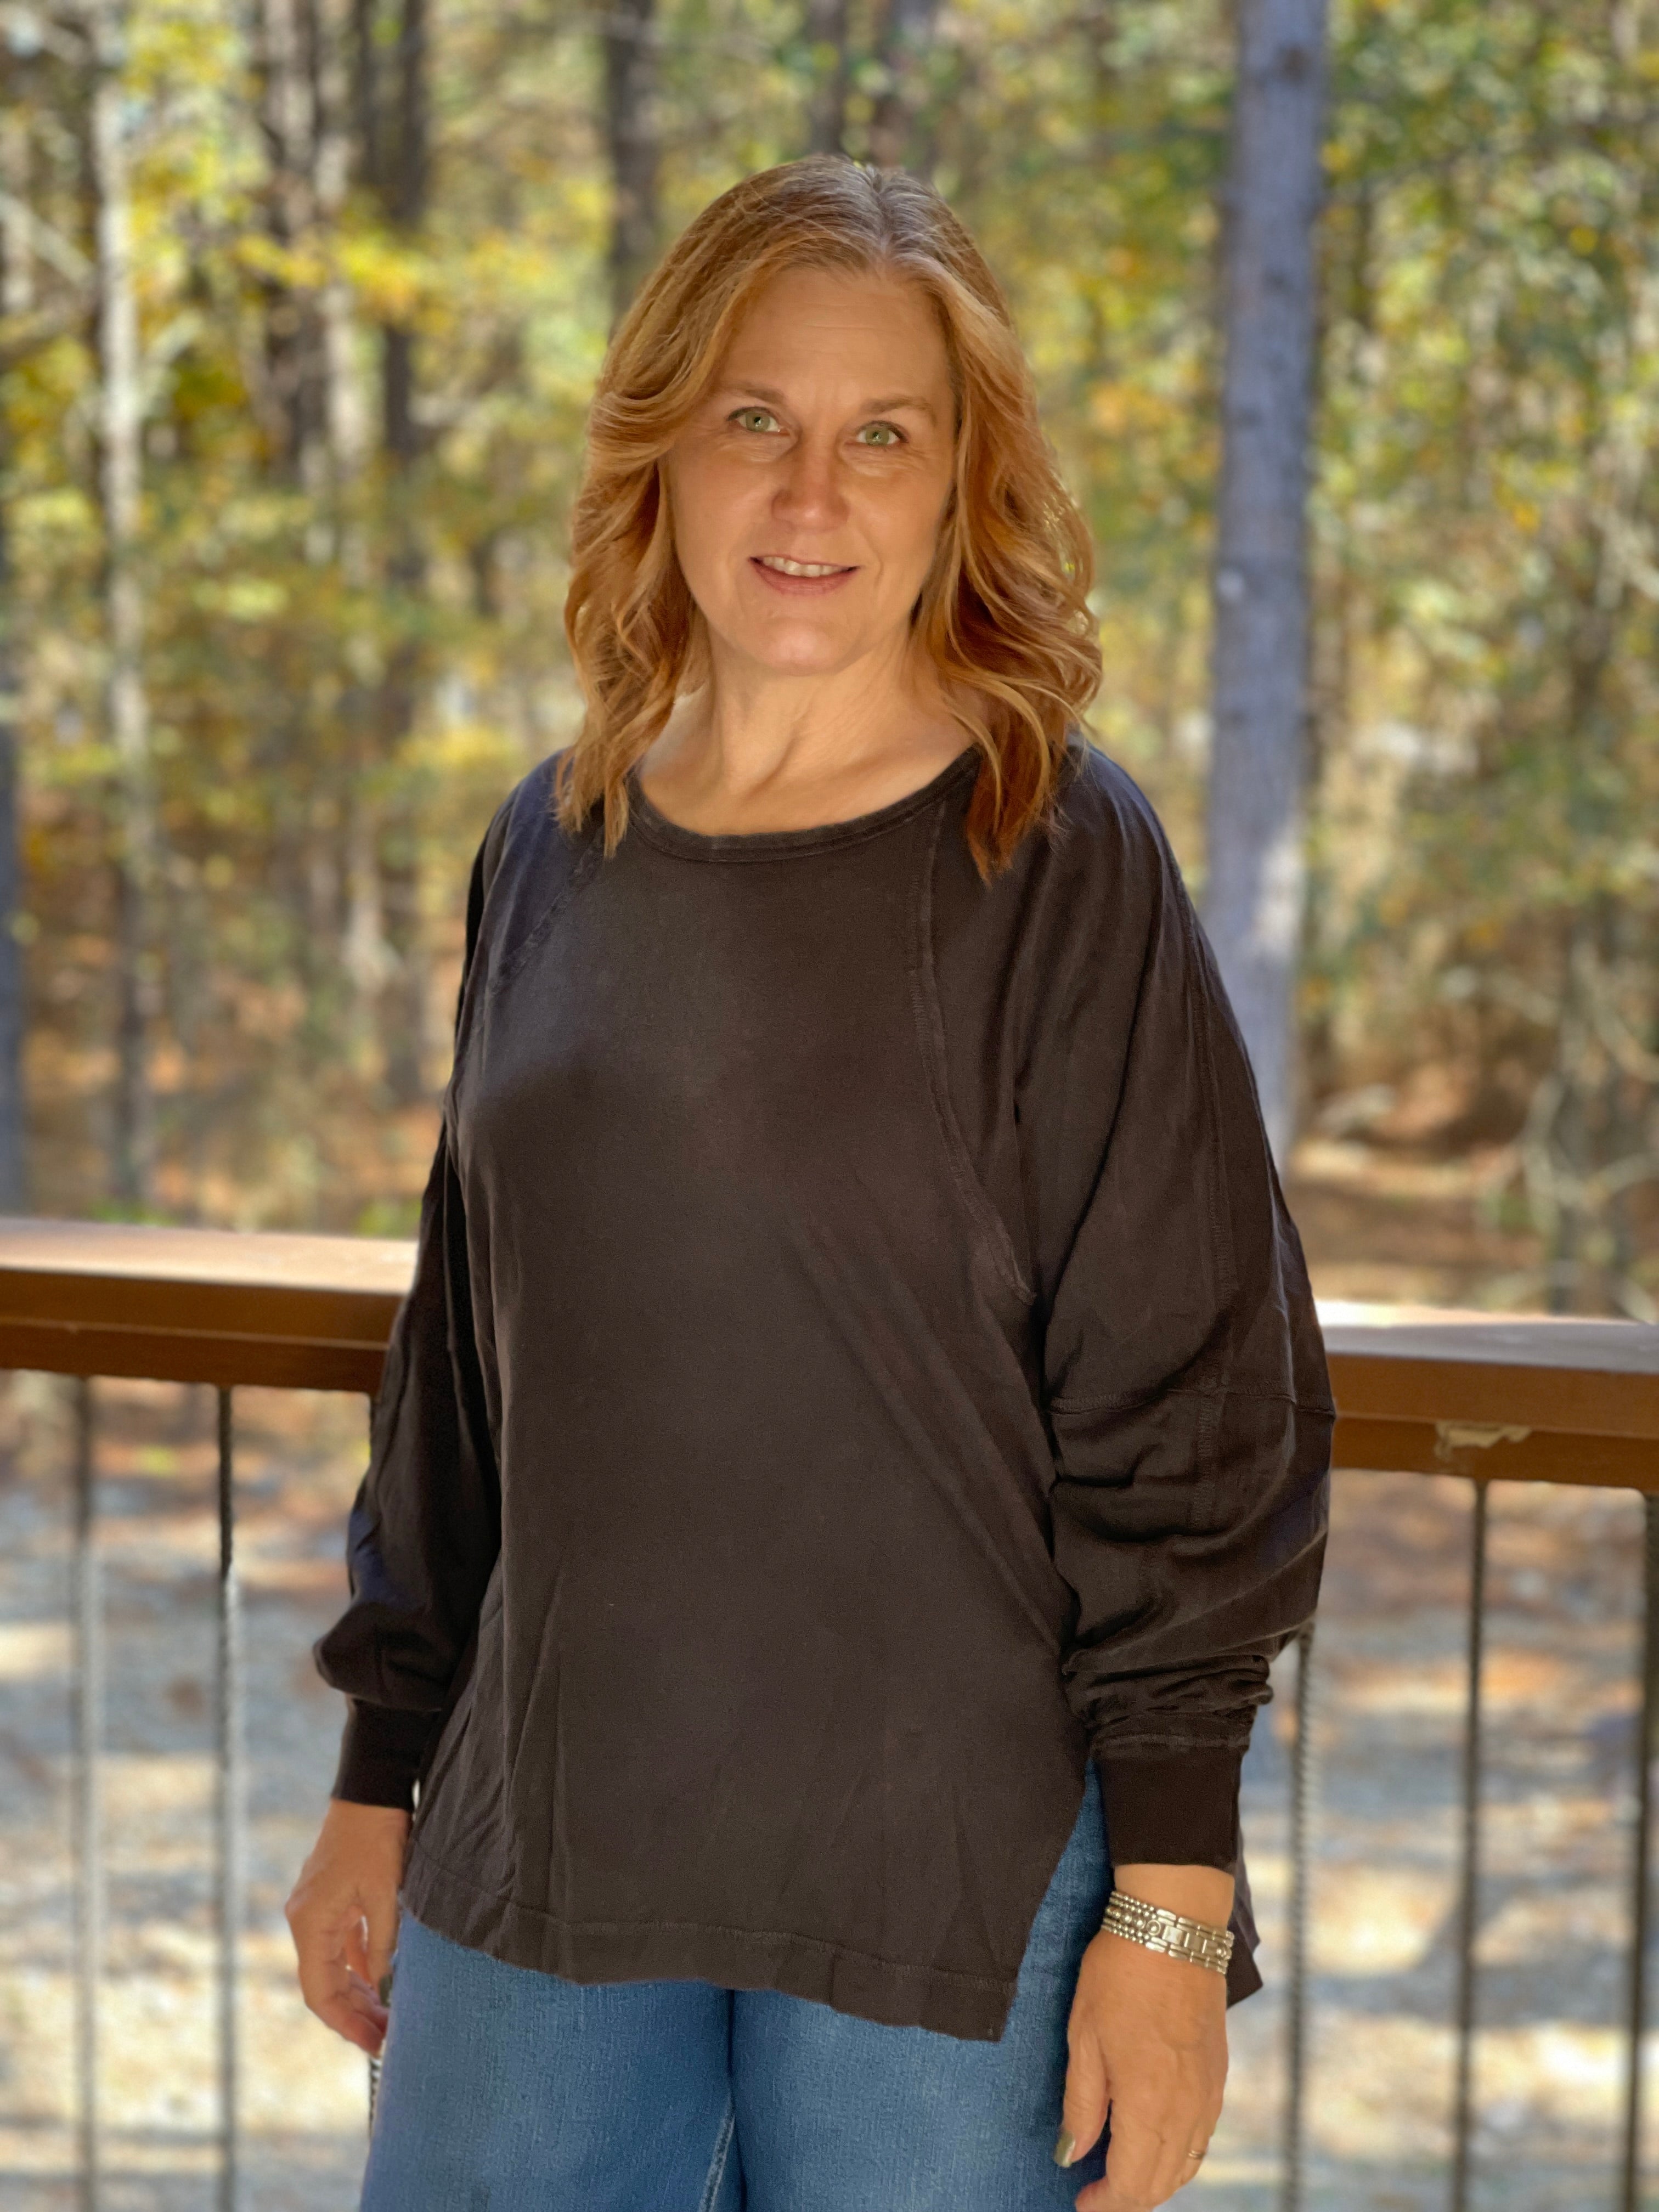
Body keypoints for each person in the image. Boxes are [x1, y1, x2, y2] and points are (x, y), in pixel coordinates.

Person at [285, 154, 1333, 2212]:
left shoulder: (1057, 856)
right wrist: (377, 1771)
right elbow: (464, 1371)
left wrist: (1175, 1902)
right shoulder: (550, 846)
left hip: (944, 1874)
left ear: (958, 488)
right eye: (755, 417)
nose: (809, 494)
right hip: (551, 1829)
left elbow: (1194, 1391)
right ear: (664, 445)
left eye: (883, 437)